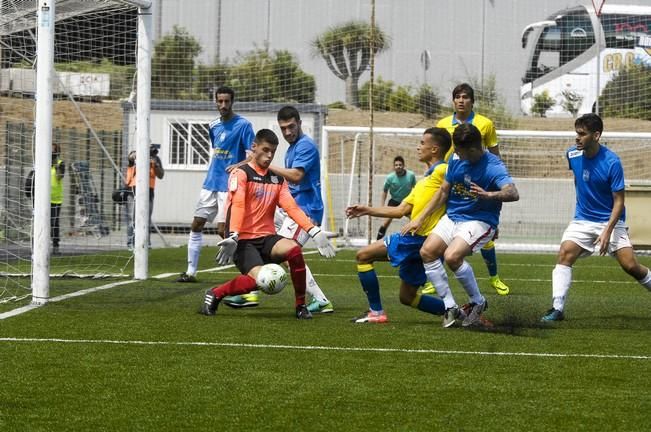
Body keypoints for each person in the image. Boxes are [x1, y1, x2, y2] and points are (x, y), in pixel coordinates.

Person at [200, 129, 336, 319]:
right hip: (243, 241)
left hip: (267, 238)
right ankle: (215, 293)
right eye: (265, 150)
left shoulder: (277, 179)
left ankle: (300, 306)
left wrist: (313, 230)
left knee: (294, 251)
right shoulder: (241, 174)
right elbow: (237, 204)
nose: (269, 155)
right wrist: (234, 235)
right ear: (254, 148)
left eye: (273, 151)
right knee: (259, 281)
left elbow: (291, 207)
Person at [402, 123, 519, 327]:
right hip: (453, 216)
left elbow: (513, 193)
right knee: (427, 252)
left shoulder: (493, 166)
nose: (454, 152)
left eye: (458, 149)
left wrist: (489, 194)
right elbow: (444, 191)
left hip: (480, 220)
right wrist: (419, 218)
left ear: (473, 149)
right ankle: (450, 306)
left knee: (452, 256)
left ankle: (478, 302)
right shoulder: (456, 159)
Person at [541, 114, 651, 321]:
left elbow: (619, 201)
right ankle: (557, 308)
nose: (577, 138)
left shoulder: (612, 162)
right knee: (565, 254)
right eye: (576, 133)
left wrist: (607, 231)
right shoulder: (572, 155)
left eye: (582, 134)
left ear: (596, 135)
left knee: (630, 266)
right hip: (582, 219)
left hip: (611, 221)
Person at [346, 128, 451, 323]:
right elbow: (400, 210)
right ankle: (459, 312)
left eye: (422, 143)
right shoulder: (423, 181)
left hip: (418, 239)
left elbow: (453, 188)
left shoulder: (443, 170)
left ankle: (376, 312)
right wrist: (367, 210)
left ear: (434, 149)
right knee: (407, 297)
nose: (418, 147)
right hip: (422, 245)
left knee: (363, 255)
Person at [436, 83, 510, 296]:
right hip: (450, 184)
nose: (461, 100)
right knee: (438, 234)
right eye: (457, 96)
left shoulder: (484, 124)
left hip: (476, 186)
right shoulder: (442, 124)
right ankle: (435, 276)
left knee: (480, 232)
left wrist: (494, 196)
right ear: (453, 101)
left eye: (465, 97)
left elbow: (495, 156)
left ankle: (494, 277)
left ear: (472, 101)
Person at [177, 86, 255, 283]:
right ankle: (191, 272)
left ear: (232, 102)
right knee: (196, 224)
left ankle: (251, 272)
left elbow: (254, 156)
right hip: (210, 183)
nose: (223, 105)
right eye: (220, 101)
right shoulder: (213, 126)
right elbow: (217, 152)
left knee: (224, 231)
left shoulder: (244, 125)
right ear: (215, 101)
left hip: (229, 186)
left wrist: (237, 166)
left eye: (227, 101)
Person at [124, 145, 165, 250]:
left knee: (146, 219)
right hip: (133, 190)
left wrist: (155, 164)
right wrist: (142, 154)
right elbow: (130, 157)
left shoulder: (155, 159)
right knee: (132, 219)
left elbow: (161, 175)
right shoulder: (135, 154)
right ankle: (131, 243)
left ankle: (146, 243)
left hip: (148, 192)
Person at [376, 156, 416, 240]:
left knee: (415, 220)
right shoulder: (390, 178)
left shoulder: (411, 175)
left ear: (404, 165)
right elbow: (385, 191)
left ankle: (415, 241)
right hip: (394, 202)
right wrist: (382, 205)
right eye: (396, 165)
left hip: (406, 202)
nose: (398, 166)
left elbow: (415, 189)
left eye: (400, 165)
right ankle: (377, 241)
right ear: (394, 167)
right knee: (386, 222)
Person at [50, 143, 65, 255]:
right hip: (42, 199)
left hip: (55, 198)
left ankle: (55, 245)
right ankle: (39, 244)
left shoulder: (60, 164)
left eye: (53, 151)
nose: (50, 153)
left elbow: (59, 176)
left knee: (54, 222)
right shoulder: (42, 162)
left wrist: (55, 164)